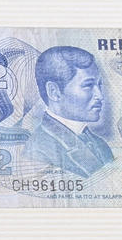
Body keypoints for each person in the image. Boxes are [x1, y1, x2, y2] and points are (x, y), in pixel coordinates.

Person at [23, 46, 113, 177]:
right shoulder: (39, 151)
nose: (100, 96)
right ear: (54, 92)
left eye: (99, 85)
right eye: (88, 85)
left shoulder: (100, 144)